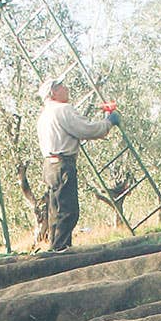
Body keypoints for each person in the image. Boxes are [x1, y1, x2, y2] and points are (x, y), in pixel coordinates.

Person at [35, 78, 120, 251]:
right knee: (68, 212)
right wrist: (108, 122)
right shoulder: (62, 110)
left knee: (55, 212)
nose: (67, 89)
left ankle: (56, 250)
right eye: (62, 87)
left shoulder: (45, 115)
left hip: (50, 166)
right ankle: (61, 253)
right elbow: (85, 130)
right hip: (62, 165)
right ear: (54, 92)